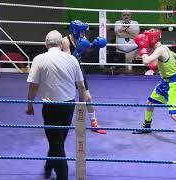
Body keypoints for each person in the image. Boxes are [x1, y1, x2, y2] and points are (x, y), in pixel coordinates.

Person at [26, 30, 88, 179]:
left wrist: (29, 105)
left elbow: (33, 86)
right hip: (68, 106)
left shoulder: (39, 59)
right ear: (61, 44)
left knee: (56, 143)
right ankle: (48, 168)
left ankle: (61, 177)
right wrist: (81, 104)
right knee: (57, 141)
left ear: (45, 43)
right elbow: (81, 86)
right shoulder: (72, 59)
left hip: (51, 107)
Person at [132, 29, 176, 150]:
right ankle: (146, 126)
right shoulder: (163, 48)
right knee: (150, 103)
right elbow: (173, 57)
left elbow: (146, 61)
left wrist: (142, 48)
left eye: (147, 38)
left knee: (174, 114)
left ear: (152, 39)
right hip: (164, 82)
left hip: (172, 84)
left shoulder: (160, 49)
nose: (145, 40)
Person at [62, 20, 107, 134]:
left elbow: (85, 50)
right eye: (82, 32)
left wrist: (94, 46)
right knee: (64, 96)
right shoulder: (65, 41)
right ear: (75, 31)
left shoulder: (83, 40)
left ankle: (94, 123)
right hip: (66, 71)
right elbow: (68, 60)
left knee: (87, 96)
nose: (84, 34)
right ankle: (60, 122)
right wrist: (77, 52)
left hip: (78, 69)